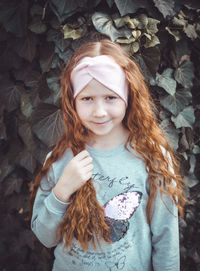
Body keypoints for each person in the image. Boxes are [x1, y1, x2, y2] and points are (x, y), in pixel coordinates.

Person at [30, 39, 185, 271]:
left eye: (110, 97)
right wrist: (62, 191)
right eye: (87, 98)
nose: (99, 111)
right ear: (73, 102)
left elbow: (165, 239)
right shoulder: (61, 157)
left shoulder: (152, 157)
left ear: (128, 96)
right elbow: (45, 237)